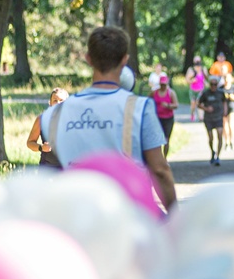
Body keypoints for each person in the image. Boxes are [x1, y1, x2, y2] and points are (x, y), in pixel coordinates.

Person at [39, 26, 177, 211]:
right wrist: (175, 216)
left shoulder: (55, 114)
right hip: (128, 209)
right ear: (124, 60)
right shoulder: (140, 108)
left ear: (88, 59)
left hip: (76, 210)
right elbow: (159, 170)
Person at [26, 87, 69, 168]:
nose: (58, 103)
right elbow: (30, 143)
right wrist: (41, 147)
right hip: (47, 169)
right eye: (55, 100)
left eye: (61, 100)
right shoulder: (41, 120)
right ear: (50, 103)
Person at [197, 76, 227, 166]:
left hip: (218, 117)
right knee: (210, 138)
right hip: (209, 118)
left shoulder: (221, 93)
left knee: (220, 135)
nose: (213, 86)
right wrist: (206, 108)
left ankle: (218, 156)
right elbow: (198, 104)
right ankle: (212, 152)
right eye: (212, 84)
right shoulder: (205, 93)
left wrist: (225, 111)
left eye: (215, 84)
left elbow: (224, 101)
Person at [150, 74, 179, 157]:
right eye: (161, 84)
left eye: (164, 84)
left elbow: (176, 105)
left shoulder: (171, 93)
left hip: (168, 118)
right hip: (157, 118)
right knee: (157, 139)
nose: (163, 86)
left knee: (166, 139)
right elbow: (148, 101)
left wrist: (168, 105)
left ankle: (165, 158)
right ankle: (158, 157)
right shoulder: (154, 93)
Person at [185, 56, 207, 122]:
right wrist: (192, 80)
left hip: (201, 89)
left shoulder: (203, 69)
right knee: (193, 104)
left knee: (200, 103)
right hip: (193, 90)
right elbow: (187, 80)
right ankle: (192, 114)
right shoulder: (191, 69)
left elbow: (206, 78)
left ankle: (201, 117)